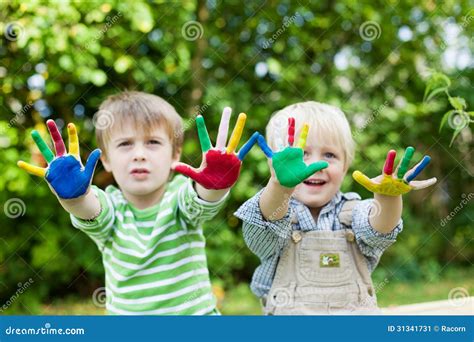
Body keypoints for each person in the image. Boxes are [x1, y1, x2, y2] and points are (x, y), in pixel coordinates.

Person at [18, 91, 258, 315]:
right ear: (106, 159)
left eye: (153, 142)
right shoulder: (110, 206)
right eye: (125, 144)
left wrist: (214, 185)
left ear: (175, 155)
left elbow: (200, 201)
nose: (139, 154)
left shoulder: (178, 199)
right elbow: (91, 211)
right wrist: (76, 197)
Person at [234, 101, 437, 315]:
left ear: (345, 166)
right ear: (274, 165)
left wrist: (388, 198)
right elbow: (262, 231)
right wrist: (280, 186)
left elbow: (380, 230)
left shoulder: (352, 212)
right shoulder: (277, 211)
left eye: (329, 155)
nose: (315, 165)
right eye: (301, 154)